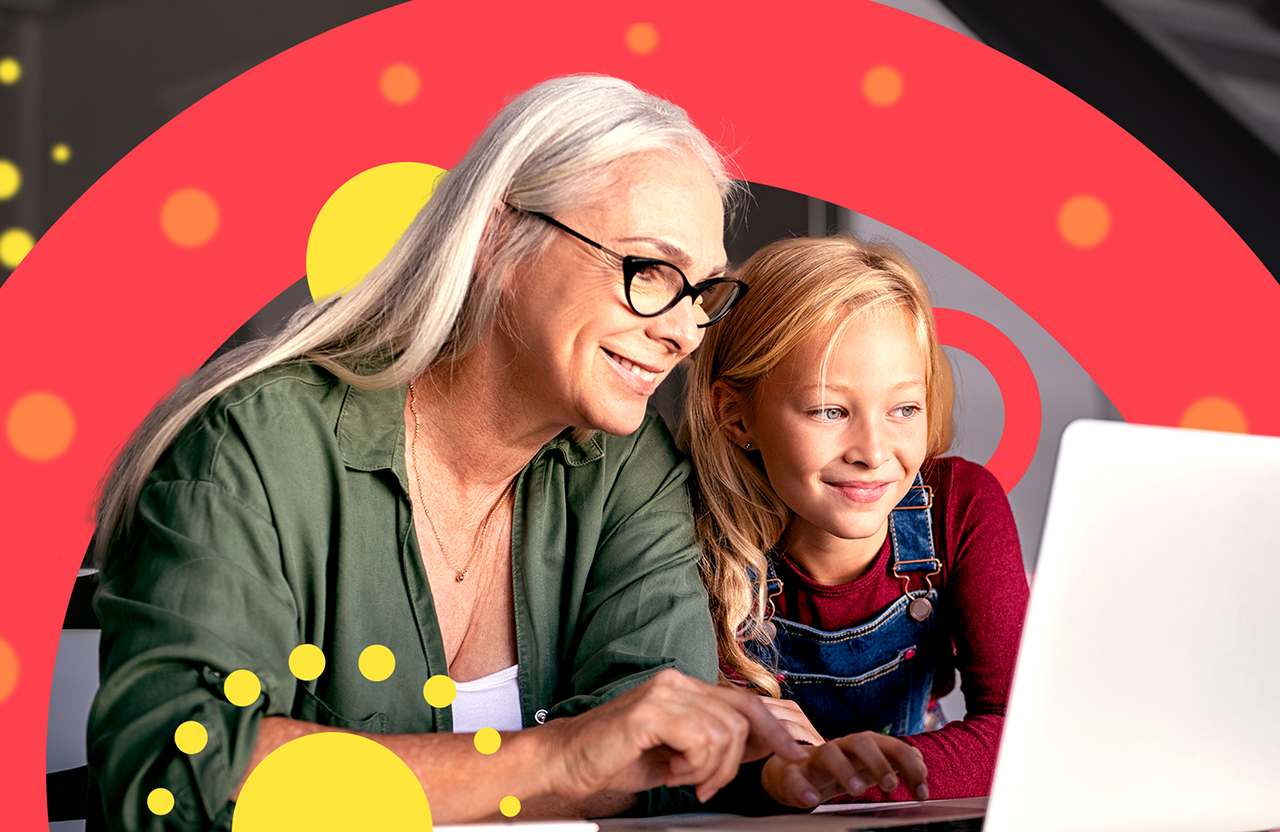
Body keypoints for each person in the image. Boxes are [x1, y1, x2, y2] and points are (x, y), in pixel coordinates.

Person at [86, 76, 924, 831]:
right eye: (649, 270)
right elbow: (168, 776)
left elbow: (662, 762)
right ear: (496, 238)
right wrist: (558, 757)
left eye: (700, 291)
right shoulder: (255, 447)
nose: (681, 330)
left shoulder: (628, 470)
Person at [683, 235, 1030, 806]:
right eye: (829, 410)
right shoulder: (693, 539)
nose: (872, 450)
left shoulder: (961, 507)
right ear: (736, 416)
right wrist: (777, 776)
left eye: (903, 409)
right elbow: (700, 765)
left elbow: (1019, 733)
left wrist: (840, 782)